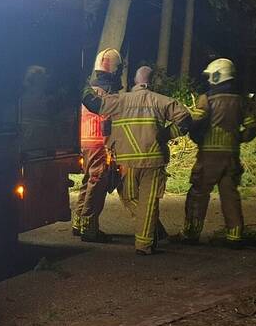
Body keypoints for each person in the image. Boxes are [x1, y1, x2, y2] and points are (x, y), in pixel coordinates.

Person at [81, 65, 191, 254]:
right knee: (148, 202)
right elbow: (186, 120)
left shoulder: (120, 100)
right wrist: (166, 134)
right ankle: (145, 244)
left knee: (129, 197)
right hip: (153, 161)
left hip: (127, 162)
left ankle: (147, 240)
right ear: (152, 81)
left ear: (134, 81)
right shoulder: (162, 101)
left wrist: (81, 84)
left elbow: (94, 104)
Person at [181, 58, 256, 247]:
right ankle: (235, 236)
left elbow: (196, 123)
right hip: (231, 155)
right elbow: (252, 126)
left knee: (198, 193)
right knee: (230, 195)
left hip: (208, 155)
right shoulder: (240, 100)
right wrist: (238, 138)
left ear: (217, 76)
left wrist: (197, 137)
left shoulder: (207, 99)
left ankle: (191, 234)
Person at [72, 48, 122, 242]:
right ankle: (89, 227)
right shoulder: (109, 93)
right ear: (116, 70)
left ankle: (78, 223)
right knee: (97, 183)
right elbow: (108, 122)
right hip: (99, 143)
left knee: (88, 181)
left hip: (83, 142)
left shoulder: (91, 90)